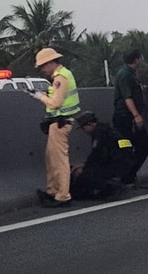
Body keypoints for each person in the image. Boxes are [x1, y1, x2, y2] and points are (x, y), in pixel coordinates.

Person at [29, 47, 81, 207]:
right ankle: (53, 191)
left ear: (51, 62)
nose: (43, 70)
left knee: (59, 161)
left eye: (44, 66)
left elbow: (56, 103)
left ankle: (63, 196)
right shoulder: (61, 76)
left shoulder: (61, 77)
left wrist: (40, 97)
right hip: (57, 122)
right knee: (51, 158)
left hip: (61, 122)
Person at [69, 111, 135, 200]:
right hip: (125, 162)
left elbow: (96, 156)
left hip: (117, 165)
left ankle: (113, 188)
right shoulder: (107, 130)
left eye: (84, 128)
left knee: (88, 174)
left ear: (89, 124)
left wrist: (84, 168)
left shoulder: (99, 134)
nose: (84, 131)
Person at [112, 48, 148, 185]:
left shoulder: (132, 74)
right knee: (129, 147)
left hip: (130, 117)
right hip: (125, 117)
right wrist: (136, 115)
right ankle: (126, 177)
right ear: (137, 59)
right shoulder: (125, 74)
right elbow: (127, 97)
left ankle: (129, 174)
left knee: (142, 145)